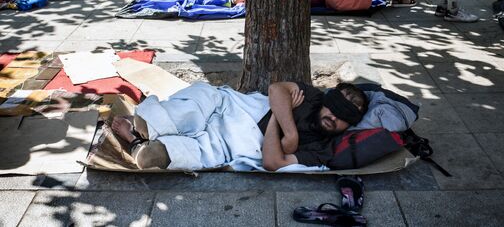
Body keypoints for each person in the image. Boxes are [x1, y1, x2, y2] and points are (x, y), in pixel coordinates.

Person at [110, 81, 367, 170]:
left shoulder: (323, 148)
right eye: (334, 107)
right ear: (327, 99)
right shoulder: (313, 96)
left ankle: (139, 145)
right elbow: (277, 89)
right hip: (237, 105)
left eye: (343, 116)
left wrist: (279, 116)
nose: (334, 116)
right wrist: (288, 130)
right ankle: (145, 125)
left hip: (239, 142)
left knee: (194, 154)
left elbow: (272, 162)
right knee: (203, 97)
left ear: (350, 124)